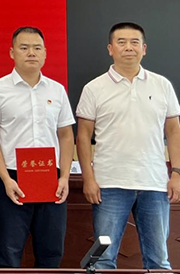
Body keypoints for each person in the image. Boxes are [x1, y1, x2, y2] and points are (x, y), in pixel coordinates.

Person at [76, 22, 180, 269]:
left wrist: (176, 173)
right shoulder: (94, 88)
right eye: (121, 42)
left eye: (135, 42)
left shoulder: (161, 85)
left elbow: (174, 130)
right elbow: (83, 136)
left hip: (154, 185)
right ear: (110, 49)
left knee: (159, 260)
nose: (128, 47)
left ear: (144, 49)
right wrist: (88, 178)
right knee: (101, 259)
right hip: (108, 186)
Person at [0, 26, 75, 268]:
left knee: (51, 253)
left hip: (51, 180)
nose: (31, 53)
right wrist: (5, 179)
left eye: (37, 48)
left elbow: (66, 135)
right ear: (12, 52)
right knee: (9, 253)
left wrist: (64, 176)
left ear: (45, 53)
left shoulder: (57, 90)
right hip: (12, 178)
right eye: (24, 48)